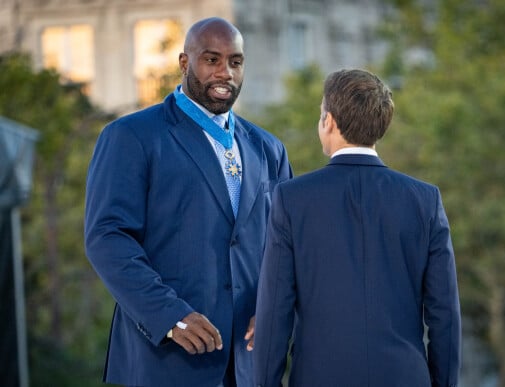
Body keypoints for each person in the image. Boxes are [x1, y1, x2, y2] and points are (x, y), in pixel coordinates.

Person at [84, 17, 292, 387]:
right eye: (211, 60)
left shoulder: (269, 148)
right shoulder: (131, 136)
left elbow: (286, 243)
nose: (225, 73)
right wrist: (170, 316)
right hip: (164, 361)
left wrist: (273, 306)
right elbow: (107, 238)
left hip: (248, 368)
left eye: (235, 62)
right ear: (184, 63)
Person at [253, 69, 461, 387]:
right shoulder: (425, 200)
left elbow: (274, 310)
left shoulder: (292, 199)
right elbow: (444, 313)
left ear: (330, 121)